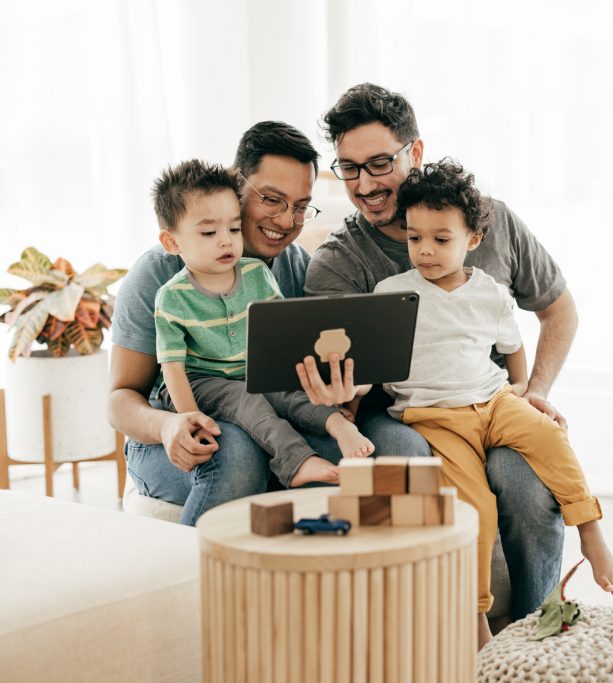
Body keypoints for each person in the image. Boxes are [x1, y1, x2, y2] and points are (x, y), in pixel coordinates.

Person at [304, 83, 579, 620]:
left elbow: (559, 310)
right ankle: (432, 635)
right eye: (348, 168)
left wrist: (534, 391)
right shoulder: (339, 262)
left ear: (416, 152)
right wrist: (338, 399)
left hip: (486, 405)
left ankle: (534, 641)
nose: (364, 184)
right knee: (407, 464)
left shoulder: (487, 222)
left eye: (379, 163)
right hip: (399, 412)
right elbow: (342, 383)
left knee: (525, 484)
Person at [374, 159, 613, 648]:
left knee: (550, 435)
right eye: (414, 237)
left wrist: (526, 392)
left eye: (440, 239)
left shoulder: (488, 291)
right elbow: (375, 366)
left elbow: (511, 345)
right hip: (435, 419)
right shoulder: (392, 294)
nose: (424, 250)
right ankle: (476, 625)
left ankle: (591, 533)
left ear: (472, 239)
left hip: (493, 401)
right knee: (476, 511)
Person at [109, 122, 357, 526]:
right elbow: (120, 398)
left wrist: (340, 394)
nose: (286, 220)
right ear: (235, 184)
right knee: (237, 451)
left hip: (265, 418)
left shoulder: (296, 268)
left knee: (351, 451)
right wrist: (170, 425)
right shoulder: (159, 276)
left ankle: (313, 583)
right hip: (169, 435)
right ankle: (195, 586)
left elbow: (296, 373)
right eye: (272, 199)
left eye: (300, 206)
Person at [149, 159, 373, 492]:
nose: (226, 241)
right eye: (210, 233)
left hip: (252, 371)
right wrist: (191, 418)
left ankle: (339, 425)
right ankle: (296, 462)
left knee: (287, 391)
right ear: (172, 243)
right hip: (200, 381)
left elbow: (283, 336)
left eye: (234, 229)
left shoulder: (256, 275)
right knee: (247, 399)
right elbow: (173, 369)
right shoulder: (172, 297)